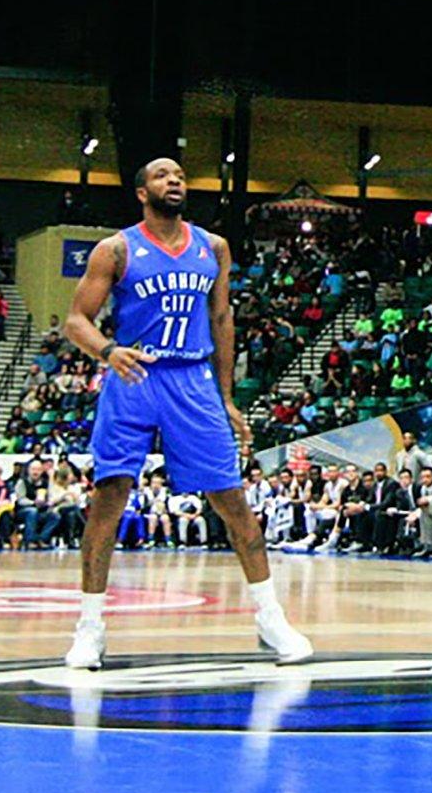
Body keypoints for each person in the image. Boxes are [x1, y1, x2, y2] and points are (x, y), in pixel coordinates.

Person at [59, 158, 309, 670]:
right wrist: (108, 352)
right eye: (161, 176)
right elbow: (75, 319)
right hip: (134, 375)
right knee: (110, 498)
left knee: (232, 500)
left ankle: (270, 618)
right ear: (141, 192)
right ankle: (90, 628)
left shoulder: (212, 247)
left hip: (192, 379)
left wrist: (226, 395)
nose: (174, 181)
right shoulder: (118, 249)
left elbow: (221, 317)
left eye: (179, 175)